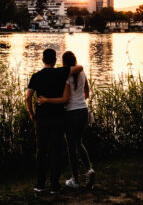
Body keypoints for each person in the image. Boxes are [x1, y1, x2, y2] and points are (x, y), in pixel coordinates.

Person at [26, 48, 83, 194]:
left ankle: (40, 185)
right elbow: (80, 67)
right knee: (56, 151)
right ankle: (54, 186)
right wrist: (65, 68)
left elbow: (28, 97)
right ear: (55, 60)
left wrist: (32, 114)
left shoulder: (36, 76)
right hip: (58, 118)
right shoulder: (60, 72)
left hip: (41, 119)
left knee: (41, 151)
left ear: (42, 59)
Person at [39, 51, 95, 189]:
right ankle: (89, 169)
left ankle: (75, 180)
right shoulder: (82, 74)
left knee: (71, 146)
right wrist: (79, 99)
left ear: (64, 62)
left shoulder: (67, 77)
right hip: (83, 110)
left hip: (71, 113)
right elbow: (87, 93)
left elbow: (66, 98)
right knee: (79, 142)